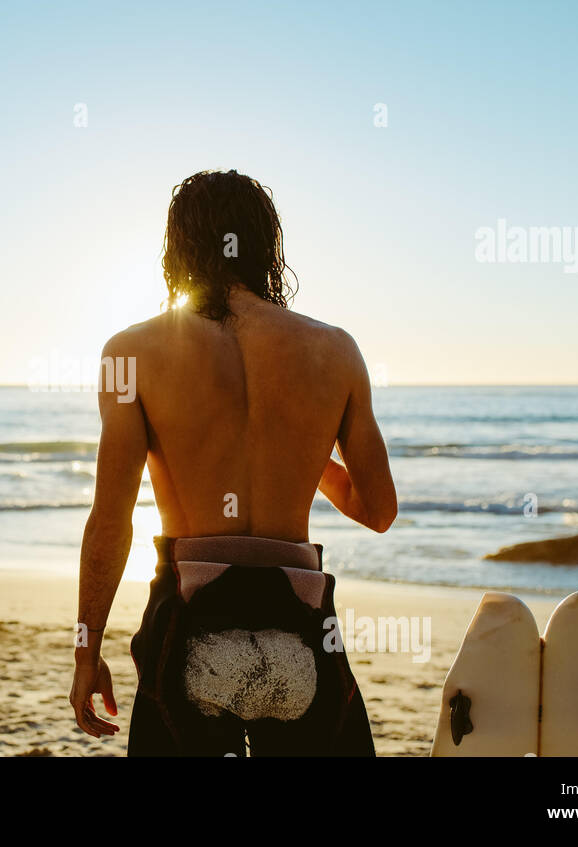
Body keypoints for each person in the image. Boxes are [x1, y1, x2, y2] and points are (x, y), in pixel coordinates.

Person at [69, 169, 397, 755]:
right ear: (267, 245)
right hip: (299, 619)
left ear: (179, 247)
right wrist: (309, 448)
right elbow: (378, 510)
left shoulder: (129, 353)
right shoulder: (337, 350)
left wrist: (86, 651)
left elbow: (110, 518)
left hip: (191, 615)